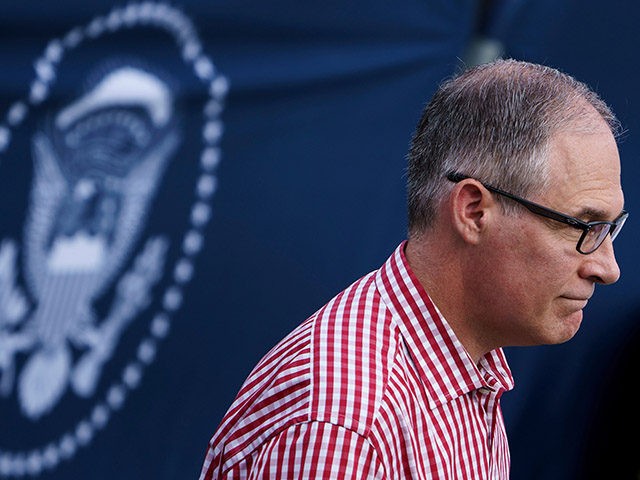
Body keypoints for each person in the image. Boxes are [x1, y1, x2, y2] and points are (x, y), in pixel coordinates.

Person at [198, 58, 627, 479]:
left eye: (611, 227)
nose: (608, 268)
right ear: (474, 211)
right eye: (585, 225)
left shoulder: (462, 369)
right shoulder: (345, 425)